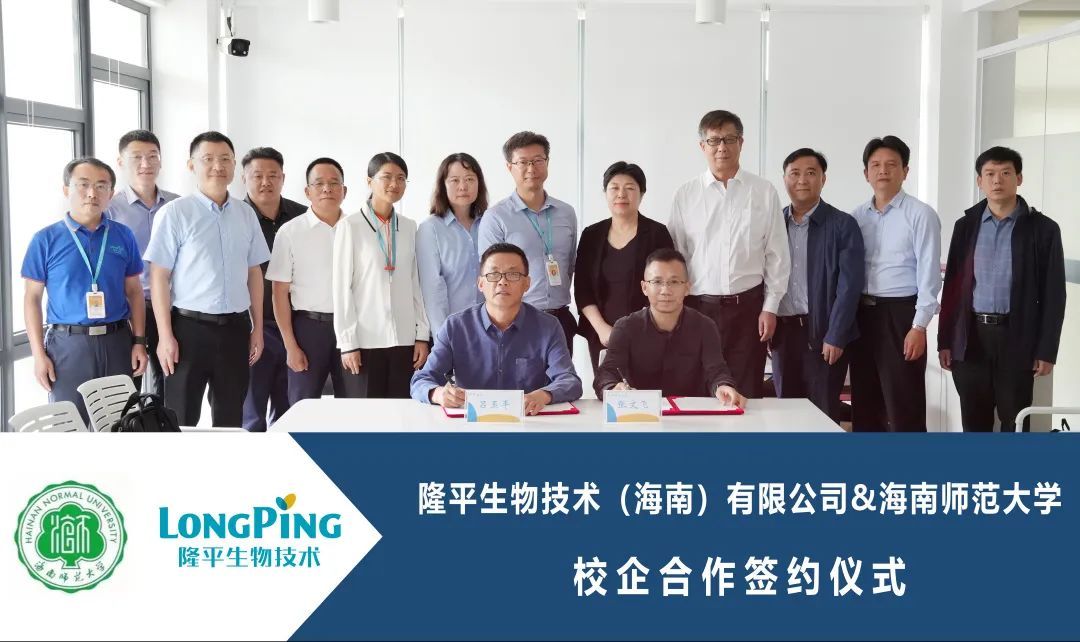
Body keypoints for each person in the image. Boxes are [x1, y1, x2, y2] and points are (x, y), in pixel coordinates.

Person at [144, 131, 270, 427]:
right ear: (192, 165)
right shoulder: (174, 213)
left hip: (236, 329)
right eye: (208, 159)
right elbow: (159, 276)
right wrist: (165, 336)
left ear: (234, 165)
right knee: (181, 417)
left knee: (230, 418)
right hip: (188, 330)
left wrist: (258, 329)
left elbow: (254, 272)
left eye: (225, 159)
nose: (218, 166)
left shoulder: (246, 214)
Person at [938, 146, 1065, 432]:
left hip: (1017, 336)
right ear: (979, 181)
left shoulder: (1043, 229)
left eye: (1006, 173)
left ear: (1019, 178)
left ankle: (1012, 463)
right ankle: (979, 464)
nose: (997, 180)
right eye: (990, 174)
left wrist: (1047, 349)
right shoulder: (965, 226)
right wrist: (945, 340)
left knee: (1016, 419)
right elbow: (953, 289)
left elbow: (1054, 295)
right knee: (974, 421)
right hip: (971, 338)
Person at [668, 110, 790, 398]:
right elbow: (677, 256)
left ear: (741, 143)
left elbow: (777, 254)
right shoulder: (686, 195)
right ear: (702, 146)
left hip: (748, 309)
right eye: (714, 141)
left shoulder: (763, 192)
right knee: (697, 390)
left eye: (729, 139)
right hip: (698, 308)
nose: (722, 147)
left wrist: (770, 307)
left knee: (746, 391)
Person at [22, 158, 147, 424]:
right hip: (68, 346)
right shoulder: (45, 239)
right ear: (66, 189)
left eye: (101, 186)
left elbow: (135, 292)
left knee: (120, 424)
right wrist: (38, 355)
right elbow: (32, 299)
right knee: (69, 425)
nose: (92, 193)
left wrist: (139, 342)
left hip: (117, 342)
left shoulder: (123, 236)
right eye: (84, 185)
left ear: (111, 194)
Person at [411, 243, 582, 413]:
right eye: (493, 274)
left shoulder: (548, 326)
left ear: (527, 283)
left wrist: (543, 395)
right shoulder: (455, 326)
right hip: (471, 422)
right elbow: (421, 380)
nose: (502, 282)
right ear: (480, 283)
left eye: (513, 274)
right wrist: (438, 394)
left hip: (528, 421)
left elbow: (569, 381)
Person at [848, 135, 941, 432]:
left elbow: (929, 275)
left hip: (900, 316)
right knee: (865, 401)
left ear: (905, 171)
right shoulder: (856, 217)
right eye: (875, 165)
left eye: (891, 164)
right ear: (866, 173)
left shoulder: (920, 215)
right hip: (862, 315)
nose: (883, 171)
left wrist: (919, 326)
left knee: (904, 403)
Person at [770, 149, 864, 422]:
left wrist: (836, 334)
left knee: (822, 414)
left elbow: (849, 287)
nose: (802, 180)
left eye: (811, 173)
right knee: (786, 413)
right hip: (784, 335)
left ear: (823, 179)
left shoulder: (843, 224)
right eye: (794, 173)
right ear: (785, 179)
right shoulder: (774, 223)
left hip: (823, 333)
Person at [593, 248, 745, 407]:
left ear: (687, 287)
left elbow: (716, 371)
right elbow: (606, 373)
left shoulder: (705, 327)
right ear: (644, 287)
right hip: (641, 413)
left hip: (691, 415)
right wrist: (613, 388)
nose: (665, 291)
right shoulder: (625, 328)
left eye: (674, 282)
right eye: (657, 282)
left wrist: (722, 386)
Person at [333, 152, 429, 399]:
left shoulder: (409, 227)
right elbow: (341, 289)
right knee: (367, 416)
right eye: (386, 177)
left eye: (401, 178)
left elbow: (415, 284)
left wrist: (421, 335)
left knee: (403, 413)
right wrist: (348, 343)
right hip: (365, 341)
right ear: (369, 181)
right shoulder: (350, 226)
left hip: (405, 341)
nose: (394, 184)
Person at [477, 131, 578, 354]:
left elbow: (570, 265)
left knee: (561, 377)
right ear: (509, 167)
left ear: (547, 163)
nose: (531, 168)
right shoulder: (496, 217)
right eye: (523, 162)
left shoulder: (566, 213)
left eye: (538, 160)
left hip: (560, 319)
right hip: (516, 320)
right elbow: (491, 276)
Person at [574, 162, 674, 374]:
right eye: (614, 188)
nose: (621, 194)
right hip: (602, 334)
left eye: (630, 188)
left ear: (641, 194)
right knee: (609, 387)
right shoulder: (591, 235)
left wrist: (644, 327)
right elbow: (582, 288)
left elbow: (666, 284)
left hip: (649, 331)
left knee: (647, 390)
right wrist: (602, 329)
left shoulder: (657, 233)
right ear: (605, 193)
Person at [266, 157, 349, 404]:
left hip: (351, 327)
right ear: (307, 191)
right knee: (302, 403)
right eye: (319, 183)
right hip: (309, 329)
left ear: (344, 191)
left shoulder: (357, 229)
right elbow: (279, 293)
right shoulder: (290, 232)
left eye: (334, 183)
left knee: (354, 402)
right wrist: (290, 346)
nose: (327, 189)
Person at [105, 129, 178, 399]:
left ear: (161, 160)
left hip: (172, 308)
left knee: (169, 383)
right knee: (127, 386)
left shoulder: (177, 205)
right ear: (121, 162)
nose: (145, 164)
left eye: (152, 156)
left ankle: (162, 423)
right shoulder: (109, 209)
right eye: (136, 157)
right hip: (128, 310)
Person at [240, 147, 307, 432]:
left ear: (283, 178)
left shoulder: (302, 216)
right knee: (251, 411)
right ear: (244, 178)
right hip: (252, 326)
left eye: (272, 175)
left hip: (295, 326)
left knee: (289, 411)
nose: (265, 182)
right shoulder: (235, 217)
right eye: (257, 176)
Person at [416, 152, 488, 334]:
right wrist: (444, 338)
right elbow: (432, 290)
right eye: (454, 180)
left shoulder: (490, 223)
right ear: (443, 185)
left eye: (470, 179)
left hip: (490, 330)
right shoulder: (430, 228)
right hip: (452, 330)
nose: (463, 186)